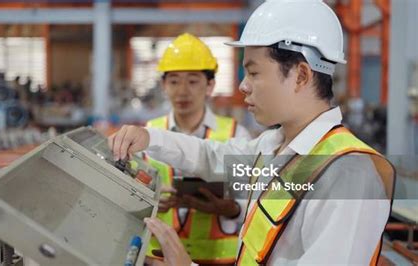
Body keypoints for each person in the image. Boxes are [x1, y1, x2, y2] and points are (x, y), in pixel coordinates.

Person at [109, 0, 395, 265]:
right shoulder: (274, 147)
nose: (243, 86)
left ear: (301, 75)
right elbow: (211, 155)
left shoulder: (347, 174)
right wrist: (150, 137)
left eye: (254, 73)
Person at [144, 33, 251, 265]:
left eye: (193, 81)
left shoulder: (236, 135)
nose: (182, 91)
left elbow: (252, 206)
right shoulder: (147, 136)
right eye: (174, 81)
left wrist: (230, 208)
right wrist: (148, 201)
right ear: (163, 85)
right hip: (158, 260)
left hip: (220, 260)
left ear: (210, 85)